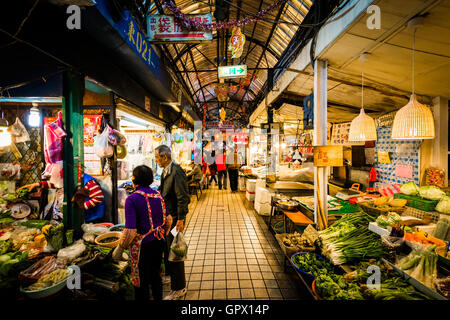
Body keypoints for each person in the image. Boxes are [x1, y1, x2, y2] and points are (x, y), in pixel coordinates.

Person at [113, 165, 170, 301]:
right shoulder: (158, 195)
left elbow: (131, 231)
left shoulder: (132, 199)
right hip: (159, 242)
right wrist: (163, 234)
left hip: (142, 247)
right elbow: (168, 219)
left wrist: (120, 248)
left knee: (141, 281)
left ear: (134, 179)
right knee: (156, 276)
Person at [155, 145, 190, 300]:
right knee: (167, 247)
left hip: (176, 219)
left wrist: (181, 219)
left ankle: (179, 288)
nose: (156, 160)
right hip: (168, 218)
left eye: (157, 157)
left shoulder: (176, 171)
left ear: (165, 157)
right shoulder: (166, 171)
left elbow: (183, 197)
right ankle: (170, 277)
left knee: (175, 251)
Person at [19, 173, 106, 223]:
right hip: (77, 219)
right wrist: (39, 184)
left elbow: (98, 197)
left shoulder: (87, 181)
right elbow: (56, 184)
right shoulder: (68, 177)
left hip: (91, 220)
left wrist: (81, 207)